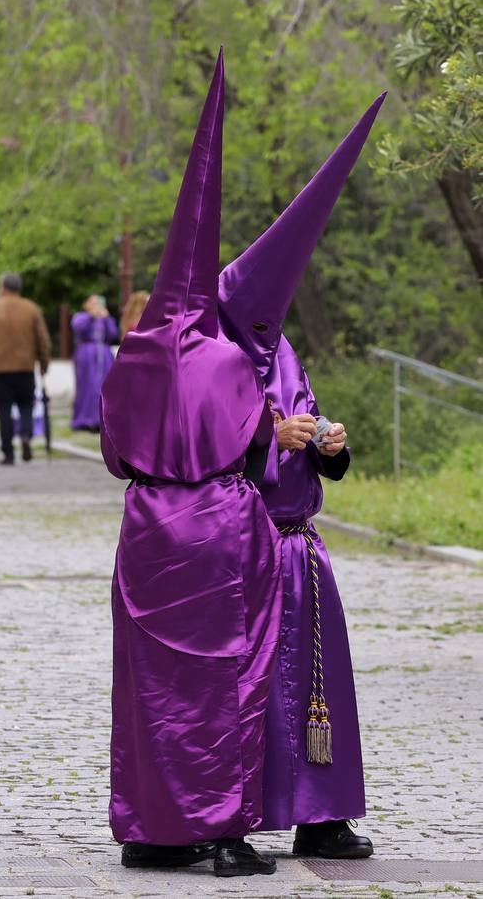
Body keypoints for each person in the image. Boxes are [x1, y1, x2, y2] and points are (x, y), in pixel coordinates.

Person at [100, 53, 283, 878]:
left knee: (149, 683)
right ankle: (223, 830)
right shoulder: (230, 360)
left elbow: (112, 453)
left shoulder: (131, 354)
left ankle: (151, 829)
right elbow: (252, 447)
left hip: (145, 525)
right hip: (216, 523)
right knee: (225, 676)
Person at [218, 92, 385, 861]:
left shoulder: (283, 352)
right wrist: (261, 435)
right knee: (249, 688)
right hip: (236, 549)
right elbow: (189, 447)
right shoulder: (208, 356)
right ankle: (238, 811)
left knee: (318, 684)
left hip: (298, 545)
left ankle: (323, 815)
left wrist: (327, 443)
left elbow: (308, 418)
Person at [0, 272, 51, 465]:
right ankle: (26, 435)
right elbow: (42, 340)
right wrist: (43, 363)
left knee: (4, 411)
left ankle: (8, 452)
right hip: (25, 368)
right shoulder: (31, 309)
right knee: (26, 406)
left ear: (2, 287)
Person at [71, 295, 118, 432]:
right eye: (93, 302)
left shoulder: (104, 318)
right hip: (87, 354)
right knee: (88, 385)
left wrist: (107, 318)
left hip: (104, 354)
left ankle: (102, 419)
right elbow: (78, 328)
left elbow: (113, 334)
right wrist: (91, 316)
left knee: (104, 386)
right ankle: (85, 419)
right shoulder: (80, 316)